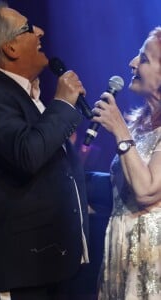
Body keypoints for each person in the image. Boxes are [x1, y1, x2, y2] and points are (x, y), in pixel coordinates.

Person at [0, 1, 90, 300]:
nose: (41, 31)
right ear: (11, 48)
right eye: (29, 28)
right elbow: (27, 154)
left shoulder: (27, 97)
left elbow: (59, 174)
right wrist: (62, 105)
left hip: (50, 267)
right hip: (16, 271)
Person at [92, 27, 161, 299]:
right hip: (120, 248)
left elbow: (147, 190)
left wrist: (119, 129)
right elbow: (122, 192)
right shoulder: (139, 124)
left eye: (144, 59)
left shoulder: (126, 130)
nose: (132, 63)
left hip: (153, 253)